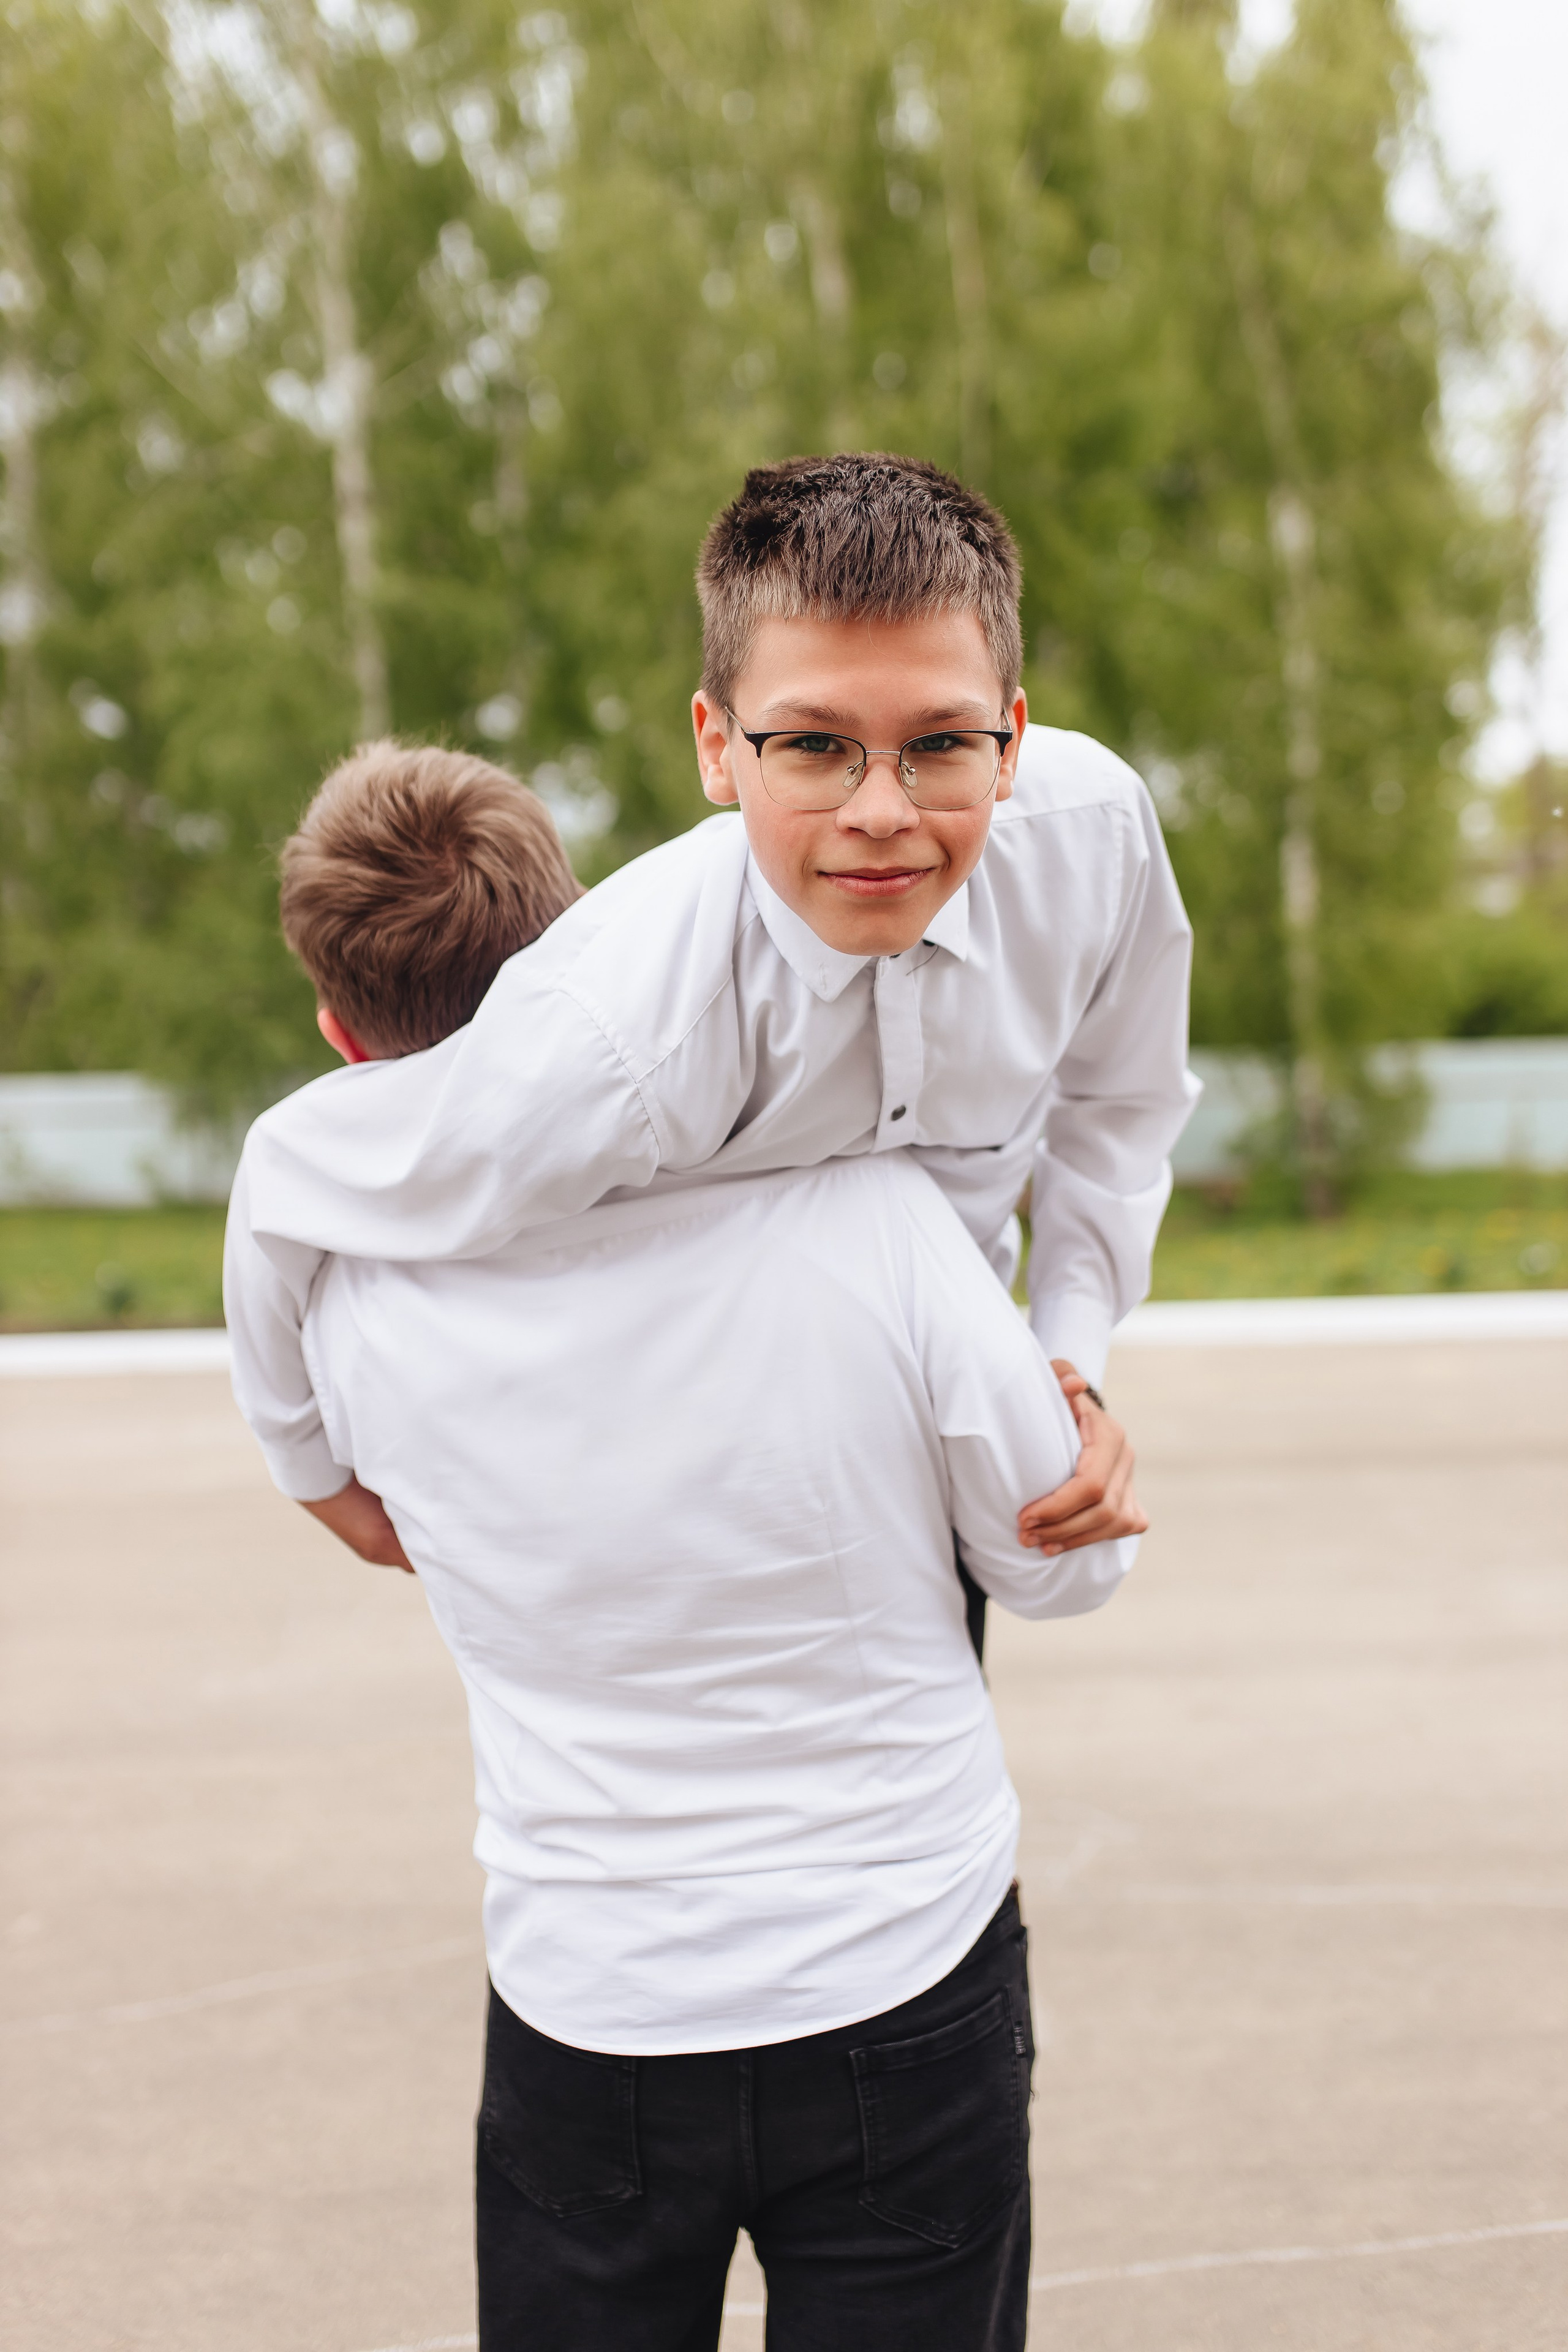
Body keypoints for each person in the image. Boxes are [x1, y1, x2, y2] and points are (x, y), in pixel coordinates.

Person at [224, 740, 1140, 2350]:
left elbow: (367, 1520)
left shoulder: (335, 1302)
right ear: (586, 952)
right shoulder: (867, 1217)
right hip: (899, 1980)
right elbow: (1065, 1568)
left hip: (592, 2004)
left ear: (335, 1028)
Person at [230, 454, 1198, 1613]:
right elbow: (292, 1177)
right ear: (714, 748)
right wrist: (315, 1474)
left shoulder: (1100, 838)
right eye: (813, 746)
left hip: (972, 1403)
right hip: (741, 1475)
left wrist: (1070, 1359)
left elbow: (1121, 1110)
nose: (881, 814)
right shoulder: (610, 1025)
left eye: (941, 743)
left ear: (1014, 738)